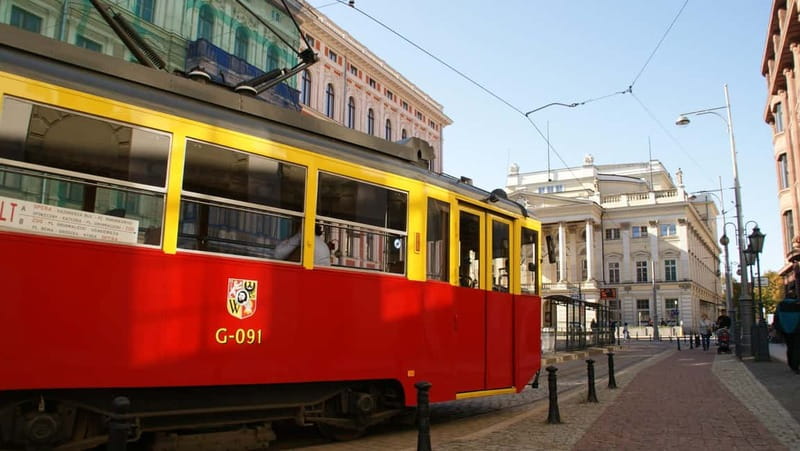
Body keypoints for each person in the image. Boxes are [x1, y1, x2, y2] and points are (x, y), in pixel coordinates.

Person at [774, 298, 800, 374]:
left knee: (790, 346)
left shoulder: (781, 305)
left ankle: (791, 363)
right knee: (797, 347)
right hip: (797, 329)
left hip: (785, 330)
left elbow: (776, 317)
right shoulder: (797, 304)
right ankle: (795, 365)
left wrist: (778, 329)